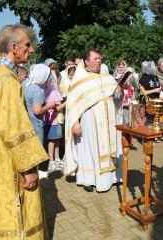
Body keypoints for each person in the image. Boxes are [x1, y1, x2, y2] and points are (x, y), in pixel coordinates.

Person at [0, 24, 48, 239]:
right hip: (10, 161)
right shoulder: (8, 81)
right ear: (14, 47)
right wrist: (27, 168)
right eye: (28, 44)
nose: (32, 49)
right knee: (19, 210)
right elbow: (13, 128)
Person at [64, 48, 123, 193]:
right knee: (89, 149)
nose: (99, 61)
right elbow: (73, 106)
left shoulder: (108, 77)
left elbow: (117, 99)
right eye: (96, 58)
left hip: (109, 122)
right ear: (86, 61)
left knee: (110, 147)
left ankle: (112, 178)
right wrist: (75, 122)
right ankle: (88, 179)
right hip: (89, 123)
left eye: (100, 58)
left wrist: (118, 91)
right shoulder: (80, 80)